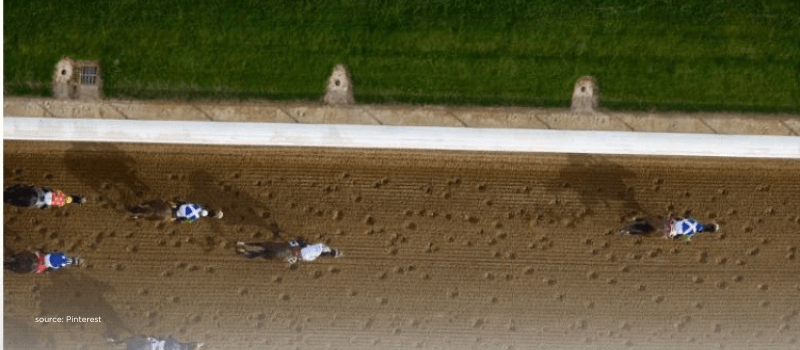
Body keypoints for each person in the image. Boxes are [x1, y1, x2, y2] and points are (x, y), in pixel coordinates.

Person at [236, 239, 341, 264]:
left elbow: (312, 245)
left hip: (299, 249)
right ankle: (244, 252)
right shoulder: (315, 257)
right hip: (299, 254)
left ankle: (244, 244)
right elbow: (305, 258)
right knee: (262, 254)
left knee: (297, 241)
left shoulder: (322, 246)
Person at [4, 184, 85, 209]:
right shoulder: (62, 204)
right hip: (45, 202)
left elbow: (55, 191)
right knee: (41, 206)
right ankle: (8, 201)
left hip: (46, 194)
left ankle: (8, 189)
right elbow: (54, 204)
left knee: (42, 188)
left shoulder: (63, 194)